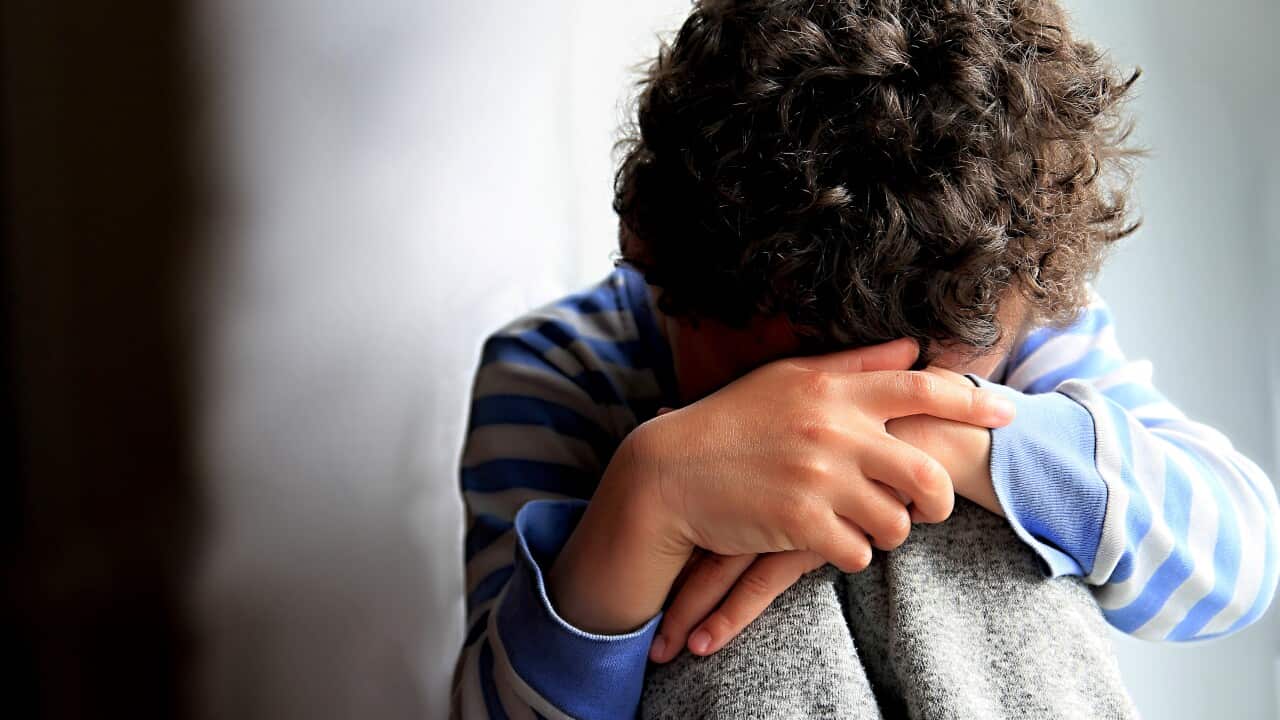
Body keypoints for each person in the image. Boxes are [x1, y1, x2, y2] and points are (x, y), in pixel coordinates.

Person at [450, 1, 1280, 717]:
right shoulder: (561, 368)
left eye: (920, 385)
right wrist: (648, 499)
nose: (831, 426)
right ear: (649, 254)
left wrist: (952, 441)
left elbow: (1237, 563)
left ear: (1026, 300)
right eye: (773, 390)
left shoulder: (1020, 329)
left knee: (973, 513)